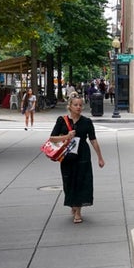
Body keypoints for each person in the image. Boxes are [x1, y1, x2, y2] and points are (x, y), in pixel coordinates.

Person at [48, 93, 105, 224]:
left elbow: (93, 140)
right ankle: (73, 203)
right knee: (68, 182)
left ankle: (78, 211)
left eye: (80, 105)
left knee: (82, 181)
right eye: (76, 105)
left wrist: (100, 158)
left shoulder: (87, 122)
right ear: (70, 106)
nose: (78, 107)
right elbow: (52, 138)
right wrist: (66, 136)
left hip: (82, 155)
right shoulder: (61, 120)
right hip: (67, 156)